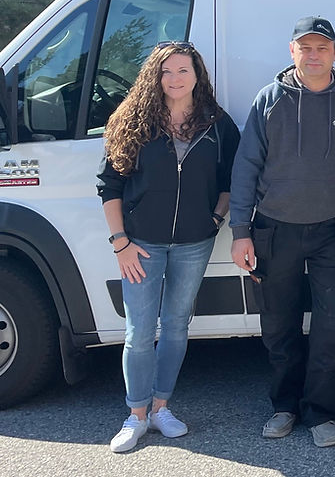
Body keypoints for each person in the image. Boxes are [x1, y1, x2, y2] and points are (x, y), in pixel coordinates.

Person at [228, 17, 335, 448]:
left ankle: (323, 413)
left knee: (331, 329)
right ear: (291, 51)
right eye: (305, 48)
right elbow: (246, 168)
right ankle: (285, 407)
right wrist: (242, 231)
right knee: (279, 326)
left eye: (322, 48)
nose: (313, 55)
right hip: (274, 231)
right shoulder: (269, 100)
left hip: (334, 231)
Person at [96, 42, 240, 453]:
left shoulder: (216, 123)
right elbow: (110, 184)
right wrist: (120, 242)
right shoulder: (132, 120)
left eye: (183, 70)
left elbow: (232, 176)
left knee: (176, 326)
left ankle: (161, 407)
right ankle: (136, 415)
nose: (175, 79)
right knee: (139, 332)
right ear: (154, 76)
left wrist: (215, 219)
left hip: (194, 243)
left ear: (198, 75)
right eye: (166, 71)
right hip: (140, 245)